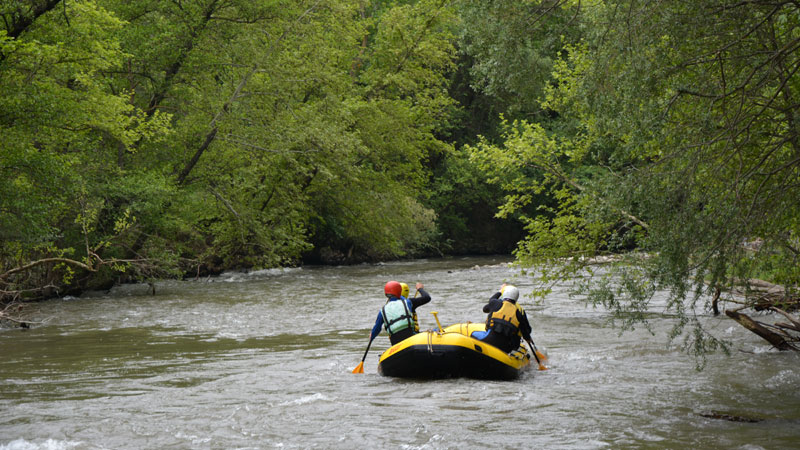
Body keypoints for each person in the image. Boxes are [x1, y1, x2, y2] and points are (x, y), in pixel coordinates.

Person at [472, 284, 533, 353]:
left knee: (473, 333)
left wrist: (500, 291)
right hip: (506, 347)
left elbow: (491, 300)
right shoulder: (518, 313)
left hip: (489, 339)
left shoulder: (496, 303)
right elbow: (525, 332)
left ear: (505, 294)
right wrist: (528, 339)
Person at [368, 280, 431, 345]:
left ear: (386, 294)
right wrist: (419, 289)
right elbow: (427, 297)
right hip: (411, 338)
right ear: (399, 292)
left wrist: (372, 336)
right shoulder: (408, 302)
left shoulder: (382, 311)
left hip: (396, 344)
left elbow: (376, 329)